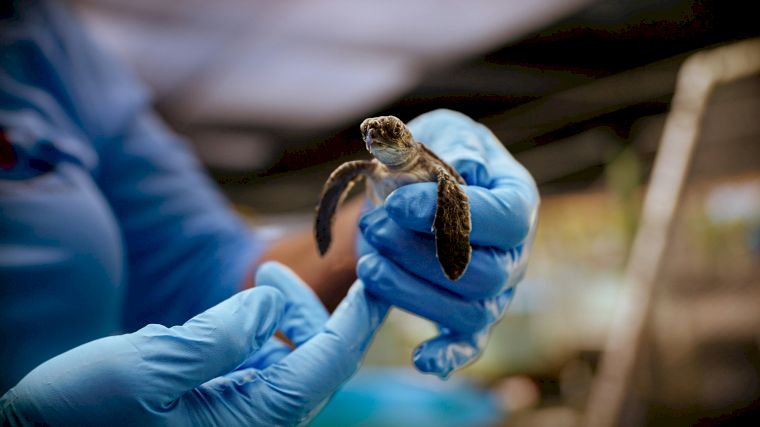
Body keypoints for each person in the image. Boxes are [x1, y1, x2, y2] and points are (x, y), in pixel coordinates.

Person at [0, 1, 539, 425]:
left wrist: (366, 234)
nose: (376, 138)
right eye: (372, 134)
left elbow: (201, 267)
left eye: (387, 132)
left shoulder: (33, 33)